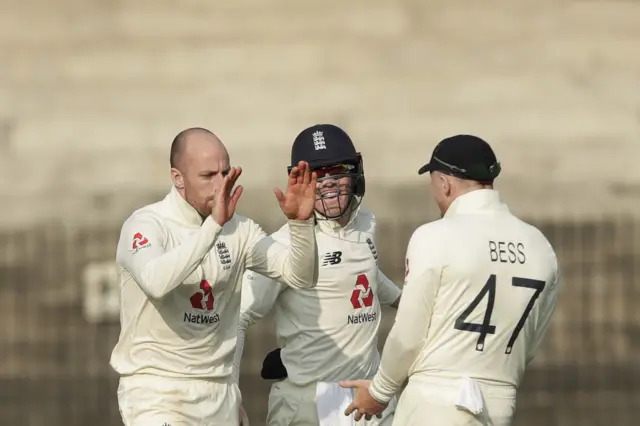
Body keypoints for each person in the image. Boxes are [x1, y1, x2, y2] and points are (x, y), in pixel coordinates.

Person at [341, 135, 561, 426]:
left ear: (445, 182)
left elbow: (409, 332)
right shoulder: (540, 246)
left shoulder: (434, 236)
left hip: (434, 405)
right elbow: (529, 343)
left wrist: (380, 391)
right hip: (500, 405)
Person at [111, 127, 320, 426]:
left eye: (226, 172)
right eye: (208, 176)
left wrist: (301, 225)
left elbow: (300, 277)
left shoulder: (240, 230)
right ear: (177, 178)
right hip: (156, 389)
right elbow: (156, 282)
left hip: (218, 391)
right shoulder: (145, 225)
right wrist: (212, 226)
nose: (221, 184)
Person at [233, 124, 402, 426]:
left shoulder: (366, 222)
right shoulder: (284, 244)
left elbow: (366, 273)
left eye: (338, 172)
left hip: (367, 395)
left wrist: (407, 302)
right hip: (307, 403)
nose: (329, 184)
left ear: (356, 174)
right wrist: (232, 396)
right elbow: (239, 317)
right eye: (318, 176)